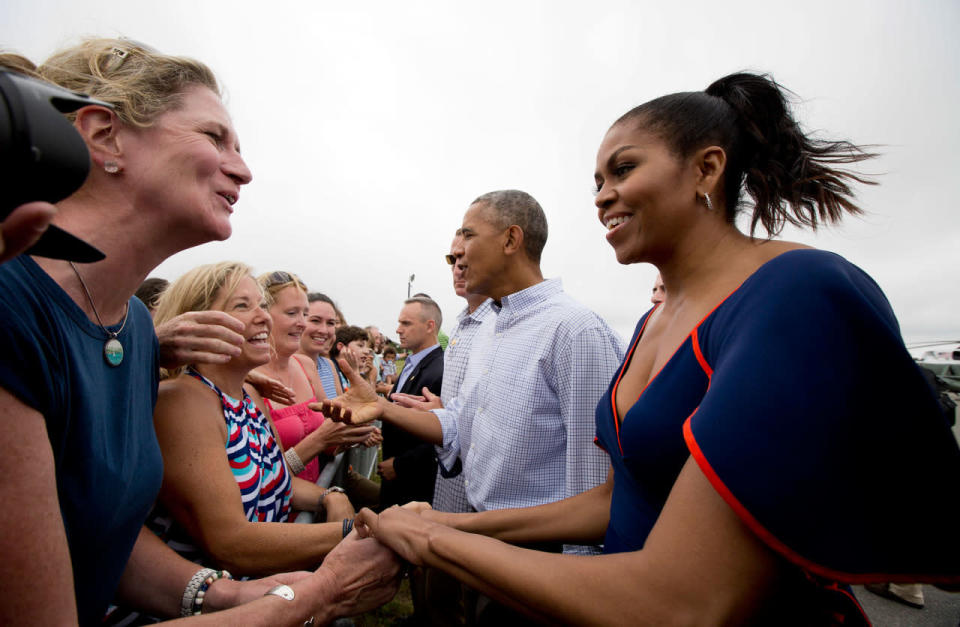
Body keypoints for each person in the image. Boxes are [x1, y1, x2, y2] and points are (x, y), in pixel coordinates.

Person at [347, 72, 960, 625]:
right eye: (596, 181)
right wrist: (451, 522)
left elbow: (686, 601)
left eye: (623, 169)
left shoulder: (795, 293)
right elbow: (616, 497)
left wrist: (434, 542)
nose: (601, 196)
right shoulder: (652, 322)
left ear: (706, 169)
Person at [0, 38, 399, 625]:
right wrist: (318, 595)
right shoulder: (12, 302)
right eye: (214, 138)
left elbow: (101, 535)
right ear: (104, 135)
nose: (243, 168)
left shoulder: (134, 328)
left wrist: (222, 595)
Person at [320, 190, 625, 546]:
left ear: (511, 239)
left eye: (468, 235)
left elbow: (595, 489)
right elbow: (461, 423)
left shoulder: (575, 331)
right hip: (485, 539)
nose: (458, 254)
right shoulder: (490, 328)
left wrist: (574, 588)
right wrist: (382, 406)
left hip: (540, 553)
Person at [251, 271, 377, 485]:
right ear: (263, 315)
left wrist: (355, 429)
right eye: (292, 313)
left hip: (315, 498)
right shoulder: (248, 379)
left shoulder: (306, 365)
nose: (302, 323)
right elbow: (265, 478)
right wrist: (320, 440)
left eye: (304, 314)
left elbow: (330, 442)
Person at [379, 296, 444, 510]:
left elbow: (442, 428)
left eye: (406, 323)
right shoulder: (412, 362)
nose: (398, 330)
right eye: (399, 323)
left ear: (429, 326)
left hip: (414, 484)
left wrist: (400, 465)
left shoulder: (439, 369)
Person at [300, 292, 345, 398]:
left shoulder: (328, 365)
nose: (324, 330)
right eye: (315, 321)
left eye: (330, 323)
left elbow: (339, 410)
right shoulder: (285, 368)